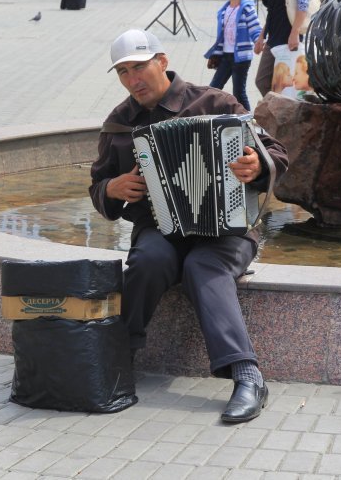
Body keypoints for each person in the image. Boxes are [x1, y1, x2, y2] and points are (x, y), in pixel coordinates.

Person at [90, 29, 289, 424]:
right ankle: (118, 358)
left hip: (226, 229)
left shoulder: (215, 102)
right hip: (159, 230)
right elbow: (99, 187)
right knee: (147, 261)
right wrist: (112, 188)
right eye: (124, 72)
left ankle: (247, 375)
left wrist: (257, 166)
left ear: (161, 61)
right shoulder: (118, 123)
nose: (133, 80)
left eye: (140, 68)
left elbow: (276, 153)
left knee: (203, 266)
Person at [254, 0, 310, 98]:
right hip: (274, 35)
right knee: (264, 81)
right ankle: (278, 114)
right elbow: (273, 9)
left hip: (288, 36)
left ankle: (282, 115)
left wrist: (295, 32)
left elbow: (303, 1)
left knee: (285, 86)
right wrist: (261, 36)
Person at [205, 0, 262, 111]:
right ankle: (212, 115)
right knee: (214, 87)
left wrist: (259, 41)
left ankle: (248, 120)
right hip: (226, 56)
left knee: (238, 92)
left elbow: (255, 27)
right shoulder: (224, 10)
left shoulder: (246, 8)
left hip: (241, 57)